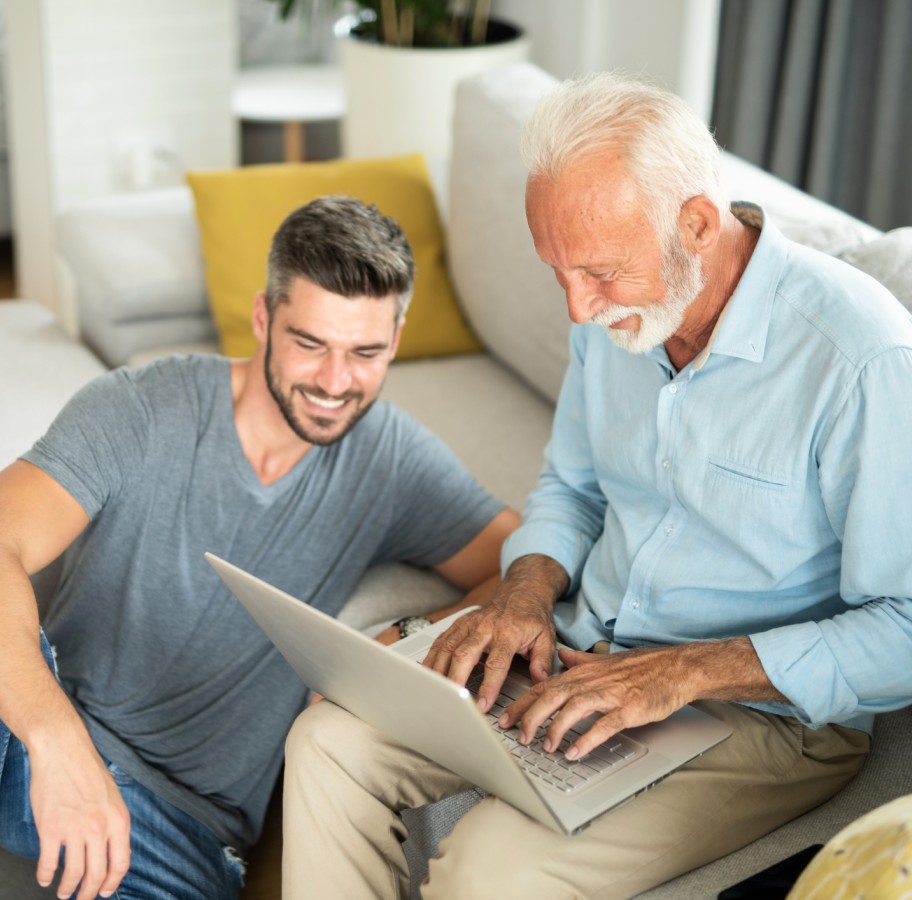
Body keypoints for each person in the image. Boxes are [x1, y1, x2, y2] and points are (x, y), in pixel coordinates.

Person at [281, 73, 912, 899]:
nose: (579, 310)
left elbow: (903, 626)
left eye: (602, 273)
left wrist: (680, 674)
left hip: (754, 717)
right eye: (558, 272)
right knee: (329, 740)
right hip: (577, 650)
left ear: (696, 224)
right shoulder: (615, 320)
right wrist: (523, 593)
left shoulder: (863, 361)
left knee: (487, 872)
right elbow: (573, 489)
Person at [0, 195, 520, 900]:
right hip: (43, 760)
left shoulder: (392, 461)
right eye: (310, 343)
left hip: (184, 834)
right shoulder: (140, 408)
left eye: (365, 353)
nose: (336, 383)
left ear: (394, 341)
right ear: (262, 319)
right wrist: (60, 744)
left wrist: (406, 637)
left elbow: (523, 564)